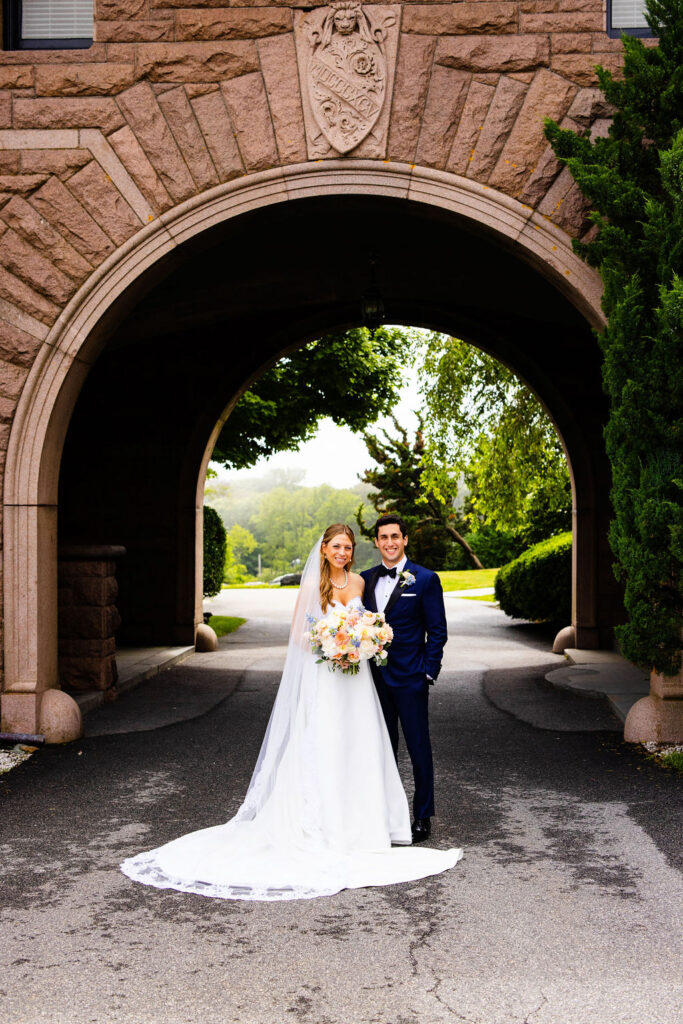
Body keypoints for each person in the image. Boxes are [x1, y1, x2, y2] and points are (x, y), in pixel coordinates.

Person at [121, 524, 462, 901]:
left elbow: (420, 628)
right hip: (332, 675)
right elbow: (300, 633)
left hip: (373, 678)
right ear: (326, 549)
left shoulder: (376, 583)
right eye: (337, 546)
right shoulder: (332, 584)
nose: (343, 552)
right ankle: (334, 825)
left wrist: (407, 661)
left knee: (379, 746)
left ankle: (408, 819)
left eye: (348, 547)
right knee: (329, 744)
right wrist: (330, 642)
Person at [361, 515, 448, 843]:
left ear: (405, 539)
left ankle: (422, 815)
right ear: (377, 542)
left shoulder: (425, 579)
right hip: (372, 680)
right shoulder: (366, 580)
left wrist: (427, 670)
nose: (389, 543)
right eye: (383, 537)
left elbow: (437, 631)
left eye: (395, 536)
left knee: (418, 748)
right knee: (381, 748)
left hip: (411, 678)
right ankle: (386, 814)